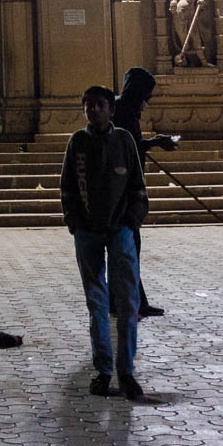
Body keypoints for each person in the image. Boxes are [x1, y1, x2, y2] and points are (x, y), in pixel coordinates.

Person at [61, 85, 149, 399]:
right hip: (87, 232)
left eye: (100, 105)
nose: (94, 110)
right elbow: (67, 187)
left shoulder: (124, 140)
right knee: (96, 303)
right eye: (89, 105)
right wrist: (73, 219)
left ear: (112, 110)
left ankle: (126, 372)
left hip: (120, 230)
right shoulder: (78, 143)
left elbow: (139, 188)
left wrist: (131, 221)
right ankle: (103, 370)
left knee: (127, 302)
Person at [109, 66, 179, 319]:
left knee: (127, 246)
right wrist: (155, 142)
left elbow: (132, 145)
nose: (148, 99)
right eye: (147, 93)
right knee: (127, 246)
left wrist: (153, 143)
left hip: (129, 187)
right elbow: (125, 146)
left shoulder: (125, 109)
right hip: (122, 191)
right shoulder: (121, 111)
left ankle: (128, 300)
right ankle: (127, 301)